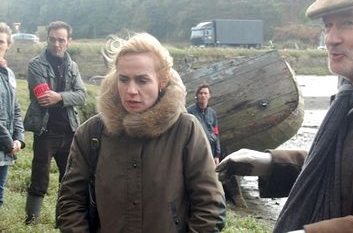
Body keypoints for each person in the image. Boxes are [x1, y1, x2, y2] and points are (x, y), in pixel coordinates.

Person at [216, 0, 353, 232]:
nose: (331, 38)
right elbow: (337, 165)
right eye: (328, 26)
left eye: (347, 23)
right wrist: (267, 163)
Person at [57, 33, 226, 232]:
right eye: (124, 79)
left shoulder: (185, 130)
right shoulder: (91, 134)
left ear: (161, 81)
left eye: (142, 80)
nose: (131, 90)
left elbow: (210, 204)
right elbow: (70, 202)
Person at [23, 21, 86, 223]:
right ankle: (31, 220)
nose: (56, 44)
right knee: (39, 176)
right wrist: (67, 96)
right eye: (52, 39)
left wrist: (59, 97)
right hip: (45, 130)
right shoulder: (35, 65)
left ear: (68, 42)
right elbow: (43, 97)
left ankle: (64, 220)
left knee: (68, 180)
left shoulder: (72, 66)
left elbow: (82, 95)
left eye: (61, 40)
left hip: (69, 130)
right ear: (47, 39)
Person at [0, 22, 25, 208]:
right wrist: (9, 142)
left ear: (7, 45)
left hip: (5, 148)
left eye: (1, 41)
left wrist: (19, 138)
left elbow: (15, 108)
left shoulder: (8, 74)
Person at [187, 84, 221, 165]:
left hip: (210, 151)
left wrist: (217, 155)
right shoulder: (189, 112)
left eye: (205, 93)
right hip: (196, 151)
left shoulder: (212, 113)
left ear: (209, 96)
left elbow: (216, 133)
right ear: (196, 96)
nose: (203, 95)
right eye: (201, 93)